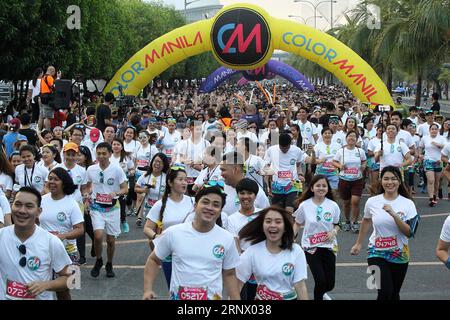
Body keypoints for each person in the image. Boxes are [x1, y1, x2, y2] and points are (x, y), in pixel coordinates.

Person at [142, 185, 241, 300]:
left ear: (220, 211)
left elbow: (229, 274)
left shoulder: (227, 239)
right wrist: (147, 290)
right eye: (205, 202)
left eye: (216, 205)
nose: (210, 207)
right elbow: (154, 259)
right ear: (195, 206)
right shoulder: (174, 233)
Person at [350, 166, 420, 300]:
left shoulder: (408, 204)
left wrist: (394, 214)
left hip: (399, 254)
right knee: (384, 292)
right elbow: (365, 221)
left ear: (399, 181)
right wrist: (358, 244)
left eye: (394, 179)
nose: (390, 182)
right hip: (375, 252)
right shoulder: (372, 202)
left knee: (394, 294)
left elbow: (409, 233)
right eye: (386, 179)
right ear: (381, 181)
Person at [0, 186, 72, 300]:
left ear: (38, 211)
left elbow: (74, 278)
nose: (22, 210)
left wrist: (46, 285)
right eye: (17, 204)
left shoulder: (51, 241)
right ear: (11, 206)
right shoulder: (1, 236)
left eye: (29, 206)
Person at [237, 206, 309, 300]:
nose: (273, 225)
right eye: (268, 221)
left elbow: (300, 285)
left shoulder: (296, 251)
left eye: (278, 222)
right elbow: (237, 284)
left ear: (285, 228)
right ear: (262, 227)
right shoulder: (252, 252)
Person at [143, 164, 193, 287]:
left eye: (185, 180)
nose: (184, 183)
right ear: (170, 183)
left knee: (191, 288)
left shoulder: (193, 202)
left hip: (190, 253)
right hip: (169, 255)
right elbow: (147, 228)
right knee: (174, 289)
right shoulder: (160, 204)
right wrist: (158, 238)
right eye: (180, 179)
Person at [84, 142, 128, 278]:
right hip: (96, 208)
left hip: (112, 208)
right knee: (97, 236)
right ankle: (98, 260)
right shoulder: (91, 169)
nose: (101, 156)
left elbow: (125, 188)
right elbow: (86, 186)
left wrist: (115, 194)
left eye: (104, 153)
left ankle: (109, 263)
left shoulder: (117, 170)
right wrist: (86, 197)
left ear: (110, 154)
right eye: (99, 153)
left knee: (110, 240)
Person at [40, 168, 84, 300]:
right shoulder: (42, 200)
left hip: (67, 252)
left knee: (64, 290)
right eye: (50, 178)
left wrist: (63, 236)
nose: (52, 182)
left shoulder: (72, 203)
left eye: (56, 179)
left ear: (64, 183)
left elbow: (80, 229)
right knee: (40, 288)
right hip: (44, 251)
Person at [294, 175, 340, 300]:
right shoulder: (304, 205)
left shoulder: (333, 205)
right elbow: (298, 223)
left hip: (329, 246)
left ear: (328, 189)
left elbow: (337, 224)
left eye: (324, 186)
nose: (321, 188)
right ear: (312, 188)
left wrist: (333, 232)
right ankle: (319, 296)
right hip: (311, 247)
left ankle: (323, 292)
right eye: (318, 185)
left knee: (330, 283)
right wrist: (291, 238)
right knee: (320, 280)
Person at [226, 178, 261, 300]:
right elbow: (236, 246)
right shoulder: (232, 219)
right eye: (242, 193)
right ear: (238, 195)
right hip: (241, 266)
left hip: (261, 264)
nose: (246, 197)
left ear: (255, 195)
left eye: (250, 193)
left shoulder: (263, 215)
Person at [264, 133, 315, 214]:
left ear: (290, 144)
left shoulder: (296, 150)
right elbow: (266, 167)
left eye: (286, 148)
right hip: (277, 186)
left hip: (293, 185)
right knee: (277, 213)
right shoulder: (271, 150)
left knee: (289, 211)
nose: (284, 150)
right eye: (282, 148)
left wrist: (300, 174)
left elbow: (301, 165)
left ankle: (290, 226)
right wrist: (267, 185)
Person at [332, 130, 367, 233]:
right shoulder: (341, 151)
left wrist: (363, 166)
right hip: (344, 180)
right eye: (349, 136)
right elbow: (334, 162)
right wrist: (340, 166)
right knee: (346, 202)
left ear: (356, 139)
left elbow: (364, 160)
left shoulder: (359, 151)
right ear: (346, 138)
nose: (351, 138)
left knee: (355, 201)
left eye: (354, 137)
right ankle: (347, 221)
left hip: (357, 179)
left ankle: (355, 222)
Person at [136, 153, 169, 227]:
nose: (157, 164)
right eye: (155, 161)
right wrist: (143, 190)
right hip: (148, 211)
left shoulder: (166, 178)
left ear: (164, 165)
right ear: (152, 162)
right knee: (150, 233)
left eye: (160, 162)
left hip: (162, 212)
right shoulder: (145, 176)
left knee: (159, 232)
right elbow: (136, 188)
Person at [110, 138, 134, 234]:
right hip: (110, 186)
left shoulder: (126, 158)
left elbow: (132, 168)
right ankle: (114, 227)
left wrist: (131, 172)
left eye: (118, 144)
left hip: (122, 186)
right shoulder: (109, 157)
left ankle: (123, 221)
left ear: (122, 146)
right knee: (112, 206)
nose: (116, 146)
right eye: (114, 144)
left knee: (121, 206)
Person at [419, 123, 446, 206]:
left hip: (438, 161)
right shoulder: (425, 138)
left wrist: (438, 145)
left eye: (435, 129)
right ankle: (431, 198)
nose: (434, 130)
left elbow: (446, 147)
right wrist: (420, 155)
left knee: (437, 181)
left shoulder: (441, 138)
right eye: (432, 129)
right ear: (429, 130)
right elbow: (420, 147)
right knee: (431, 180)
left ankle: (434, 195)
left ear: (438, 130)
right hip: (428, 161)